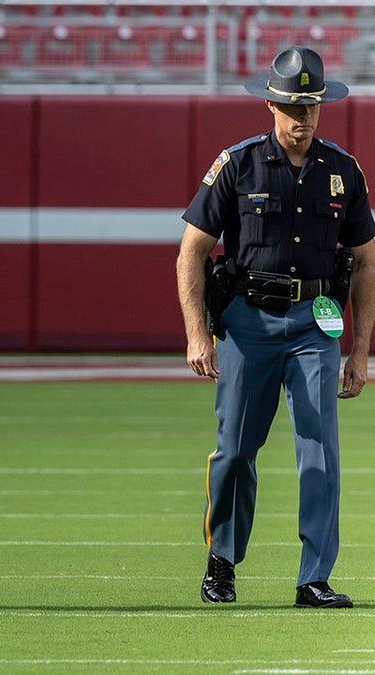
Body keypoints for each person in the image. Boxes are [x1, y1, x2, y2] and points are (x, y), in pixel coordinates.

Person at [177, 46, 375, 609]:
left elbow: (365, 259)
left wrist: (359, 350)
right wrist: (197, 332)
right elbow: (191, 252)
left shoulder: (343, 171)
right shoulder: (237, 165)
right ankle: (222, 562)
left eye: (310, 106)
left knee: (320, 451)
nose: (302, 117)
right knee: (235, 448)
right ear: (270, 103)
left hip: (316, 324)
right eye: (291, 106)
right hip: (248, 322)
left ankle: (314, 577)